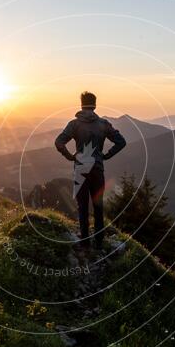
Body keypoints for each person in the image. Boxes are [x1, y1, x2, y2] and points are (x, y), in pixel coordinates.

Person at [55, 91, 126, 248]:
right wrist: (106, 155)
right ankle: (99, 241)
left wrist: (70, 156)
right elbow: (121, 142)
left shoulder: (74, 124)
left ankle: (85, 241)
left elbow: (59, 142)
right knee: (98, 205)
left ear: (81, 104)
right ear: (95, 104)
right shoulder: (103, 124)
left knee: (82, 205)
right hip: (97, 169)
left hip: (81, 169)